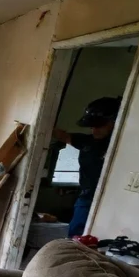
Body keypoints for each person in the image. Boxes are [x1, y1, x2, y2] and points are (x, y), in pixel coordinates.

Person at [53, 96, 120, 238]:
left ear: (115, 122)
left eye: (99, 126)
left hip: (112, 200)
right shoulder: (87, 142)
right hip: (86, 197)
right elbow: (63, 136)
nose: (94, 130)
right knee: (75, 237)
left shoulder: (119, 145)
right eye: (92, 126)